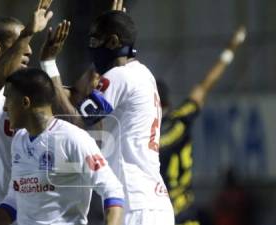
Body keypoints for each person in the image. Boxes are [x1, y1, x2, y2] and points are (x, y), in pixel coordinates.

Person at [0, 0, 75, 224]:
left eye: (28, 40)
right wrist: (28, 31)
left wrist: (49, 63)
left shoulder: (26, 89)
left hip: (27, 210)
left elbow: (71, 114)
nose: (28, 49)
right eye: (21, 41)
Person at [70, 7, 174, 225]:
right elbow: (83, 93)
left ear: (113, 41)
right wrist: (114, 23)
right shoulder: (144, 73)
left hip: (134, 204)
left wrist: (49, 68)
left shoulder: (119, 77)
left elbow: (76, 120)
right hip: (157, 204)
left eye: (97, 40)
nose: (92, 47)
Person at [0, 68, 124, 225]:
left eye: (8, 99)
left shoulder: (72, 139)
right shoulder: (19, 140)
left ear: (25, 102)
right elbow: (14, 198)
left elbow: (112, 189)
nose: (4, 108)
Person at [157, 26, 246, 225]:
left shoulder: (145, 133)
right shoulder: (182, 117)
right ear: (167, 104)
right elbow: (204, 86)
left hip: (159, 212)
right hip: (184, 208)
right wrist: (229, 51)